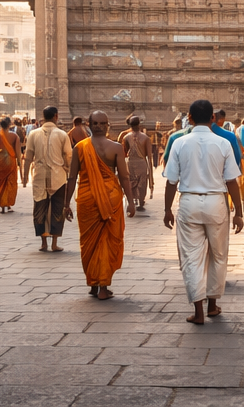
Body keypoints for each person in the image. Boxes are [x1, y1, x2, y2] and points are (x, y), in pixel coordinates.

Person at [162, 99, 244, 325]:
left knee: (191, 257)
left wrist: (167, 209)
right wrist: (238, 211)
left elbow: (171, 182)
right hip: (216, 202)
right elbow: (232, 182)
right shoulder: (223, 143)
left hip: (188, 201)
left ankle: (198, 311)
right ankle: (213, 305)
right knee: (218, 255)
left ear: (188, 118)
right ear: (212, 119)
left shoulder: (179, 142)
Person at [65, 111, 133, 299]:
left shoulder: (80, 147)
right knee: (102, 241)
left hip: (89, 197)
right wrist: (131, 201)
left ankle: (95, 284)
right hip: (107, 197)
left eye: (102, 123)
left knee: (91, 242)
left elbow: (72, 178)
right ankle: (102, 286)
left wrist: (66, 204)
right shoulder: (114, 147)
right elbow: (124, 177)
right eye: (97, 123)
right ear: (90, 124)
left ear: (106, 125)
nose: (100, 126)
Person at [25, 106, 72, 252]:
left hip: (39, 177)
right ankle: (54, 243)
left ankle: (44, 243)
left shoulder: (33, 134)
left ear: (43, 116)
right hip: (58, 177)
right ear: (56, 116)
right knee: (57, 209)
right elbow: (68, 156)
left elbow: (28, 157)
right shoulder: (62, 134)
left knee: (40, 209)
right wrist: (69, 171)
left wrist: (24, 175)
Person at [0, 117, 22, 213]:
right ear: (9, 125)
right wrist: (20, 166)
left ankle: (3, 205)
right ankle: (8, 204)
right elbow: (18, 153)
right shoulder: (14, 136)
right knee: (10, 183)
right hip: (10, 163)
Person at [121, 117, 154, 213]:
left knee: (131, 182)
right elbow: (149, 155)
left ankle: (133, 200)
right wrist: (150, 167)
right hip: (141, 162)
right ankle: (140, 202)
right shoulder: (145, 137)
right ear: (139, 124)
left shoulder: (126, 137)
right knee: (142, 183)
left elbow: (125, 152)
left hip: (131, 163)